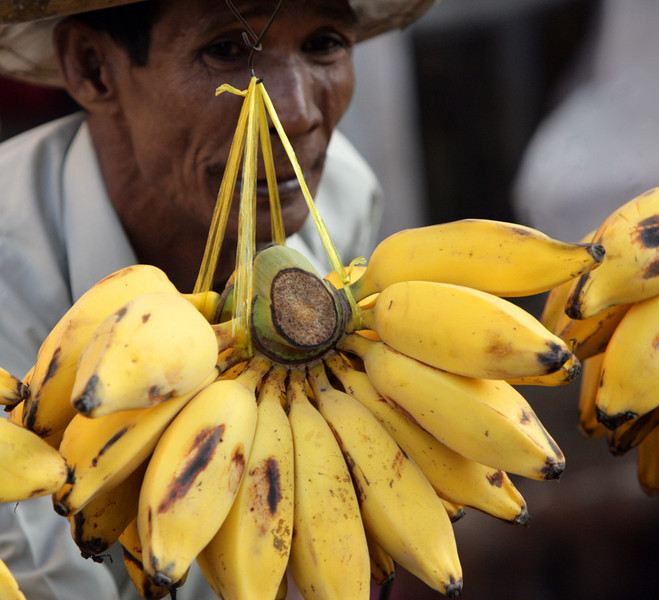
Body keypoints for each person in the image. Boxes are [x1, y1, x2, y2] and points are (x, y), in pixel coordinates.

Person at [0, 1, 437, 598]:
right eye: (227, 50)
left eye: (325, 44)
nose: (298, 112)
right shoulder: (10, 265)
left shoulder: (339, 200)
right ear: (93, 67)